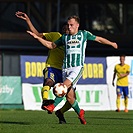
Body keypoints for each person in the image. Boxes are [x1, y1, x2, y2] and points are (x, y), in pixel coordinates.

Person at [27, 15, 118, 125]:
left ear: (77, 25)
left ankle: (53, 106)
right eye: (68, 25)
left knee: (63, 87)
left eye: (71, 25)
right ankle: (80, 113)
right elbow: (51, 45)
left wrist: (111, 43)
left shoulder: (84, 34)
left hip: (77, 68)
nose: (69, 27)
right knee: (70, 97)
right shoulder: (64, 37)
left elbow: (98, 39)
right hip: (65, 69)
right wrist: (38, 38)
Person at [15, 11, 70, 113]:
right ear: (63, 30)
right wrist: (28, 20)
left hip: (64, 70)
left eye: (70, 28)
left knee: (68, 95)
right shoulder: (55, 36)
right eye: (66, 28)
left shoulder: (74, 42)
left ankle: (59, 111)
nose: (68, 30)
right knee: (49, 81)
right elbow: (37, 35)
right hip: (52, 67)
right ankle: (45, 102)